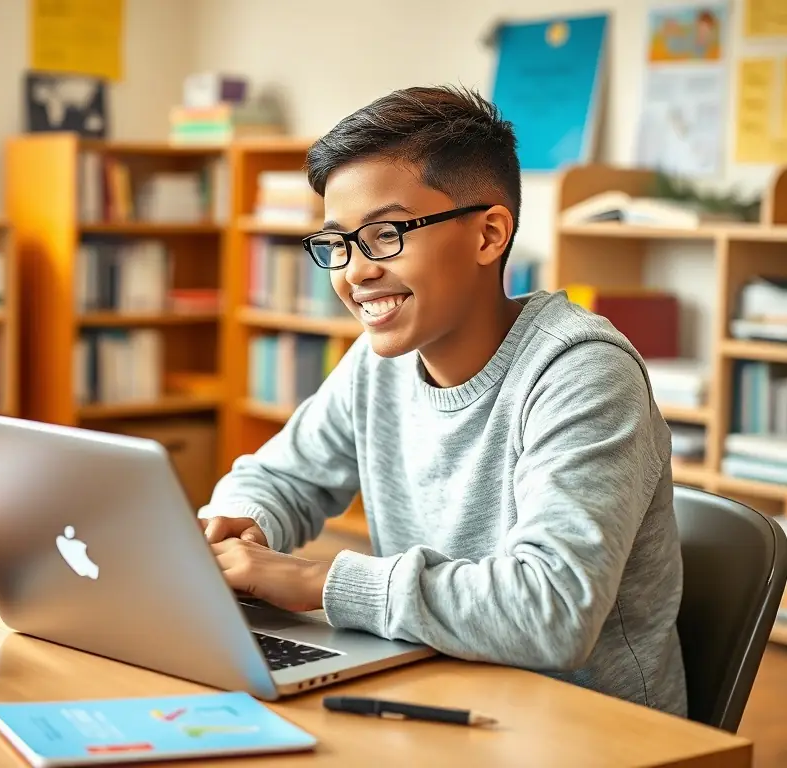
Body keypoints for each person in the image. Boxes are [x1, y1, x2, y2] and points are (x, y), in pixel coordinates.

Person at [198, 85, 687, 716]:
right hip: (436, 685)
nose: (353, 272)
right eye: (338, 244)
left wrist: (318, 581)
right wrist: (245, 521)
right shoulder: (383, 362)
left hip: (590, 725)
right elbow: (280, 475)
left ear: (488, 235)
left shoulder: (583, 372)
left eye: (384, 234)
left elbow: (554, 610)